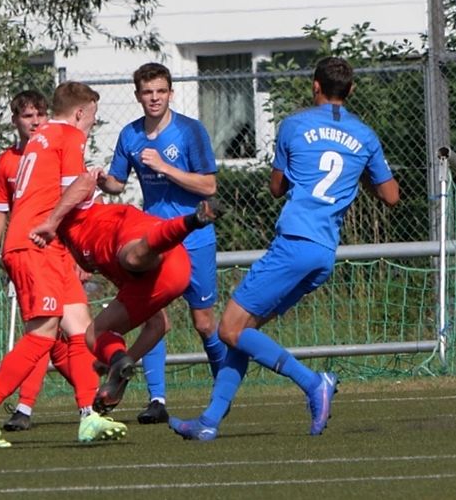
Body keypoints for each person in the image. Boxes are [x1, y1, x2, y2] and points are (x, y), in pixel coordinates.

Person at [169, 56, 399, 441]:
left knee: (228, 327)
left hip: (294, 242)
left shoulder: (294, 125)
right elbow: (391, 196)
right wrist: (360, 176)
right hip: (324, 252)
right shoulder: (366, 136)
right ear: (352, 90)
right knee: (244, 331)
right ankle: (209, 421)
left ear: (315, 85)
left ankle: (313, 383)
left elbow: (276, 187)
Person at [0, 82, 126, 449]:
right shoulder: (68, 136)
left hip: (51, 246)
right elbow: (72, 193)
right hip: (35, 243)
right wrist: (96, 185)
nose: (91, 124)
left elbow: (62, 189)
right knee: (42, 336)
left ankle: (87, 415)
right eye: (91, 116)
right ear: (79, 113)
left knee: (80, 330)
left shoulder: (44, 137)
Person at [29, 169, 222, 414]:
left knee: (133, 257)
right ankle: (118, 367)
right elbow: (159, 325)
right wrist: (119, 360)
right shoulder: (67, 241)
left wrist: (52, 221)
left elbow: (84, 180)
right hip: (166, 273)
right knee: (95, 335)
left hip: (141, 240)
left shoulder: (61, 196)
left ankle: (190, 222)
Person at [97, 62, 226, 425]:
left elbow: (209, 187)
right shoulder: (130, 135)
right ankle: (156, 398)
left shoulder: (189, 131)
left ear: (170, 93)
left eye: (160, 91)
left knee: (203, 323)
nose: (154, 98)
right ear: (137, 96)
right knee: (151, 317)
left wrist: (166, 168)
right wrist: (99, 180)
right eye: (147, 92)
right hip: (154, 238)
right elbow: (118, 183)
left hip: (194, 236)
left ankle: (223, 392)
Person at [0, 90, 77, 433]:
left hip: (59, 251)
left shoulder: (55, 146)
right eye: (27, 116)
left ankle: (93, 397)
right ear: (15, 120)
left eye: (40, 114)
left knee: (67, 330)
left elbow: (72, 198)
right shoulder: (9, 161)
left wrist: (79, 252)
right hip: (33, 251)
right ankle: (23, 405)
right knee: (45, 330)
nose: (35, 121)